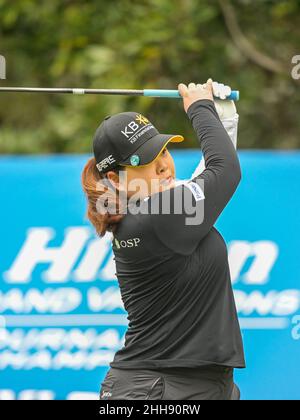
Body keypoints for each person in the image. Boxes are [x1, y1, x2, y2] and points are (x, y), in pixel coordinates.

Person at [81, 79, 245, 400]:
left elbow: (204, 181)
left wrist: (223, 119)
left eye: (163, 150)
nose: (162, 165)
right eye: (144, 160)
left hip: (191, 385)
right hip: (159, 389)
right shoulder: (156, 216)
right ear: (115, 178)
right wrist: (200, 107)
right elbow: (224, 171)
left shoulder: (149, 211)